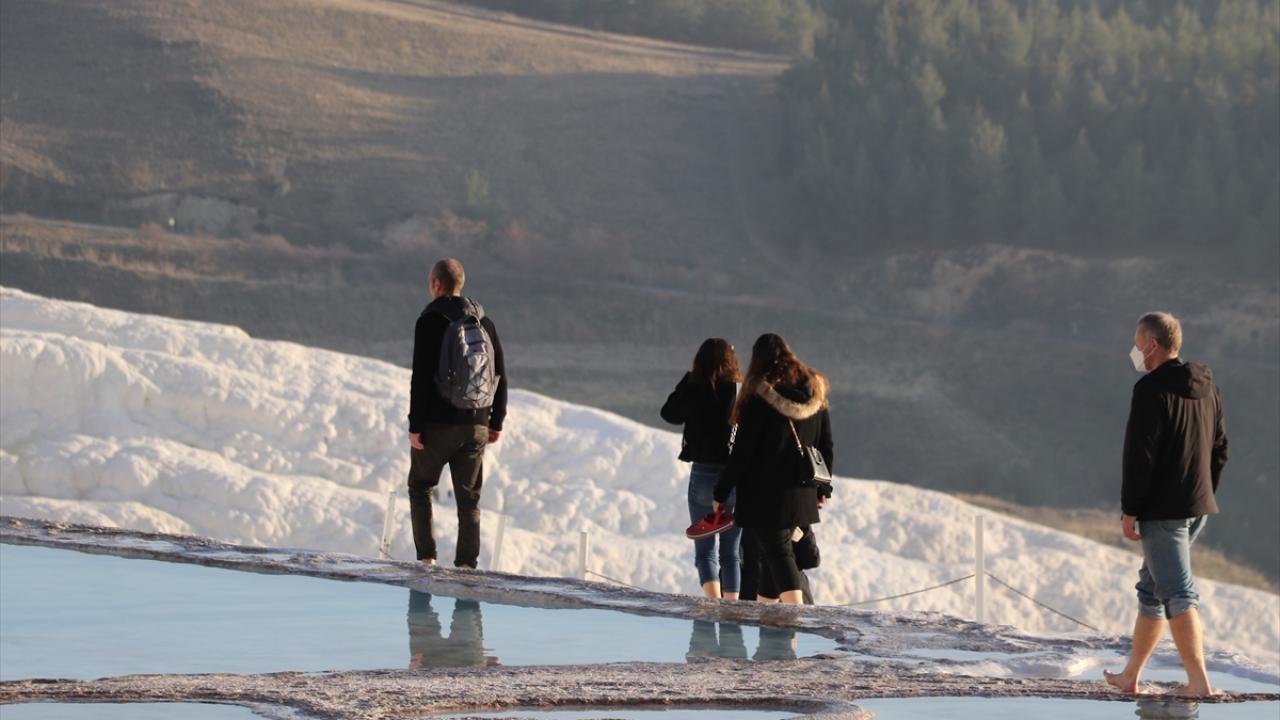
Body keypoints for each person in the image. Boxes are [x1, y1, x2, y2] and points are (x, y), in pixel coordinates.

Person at [1105, 312, 1228, 698]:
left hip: (1163, 512)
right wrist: (1203, 493)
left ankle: (1198, 684)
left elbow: (1139, 456)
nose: (1136, 350)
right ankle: (1131, 676)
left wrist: (1130, 509)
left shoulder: (1150, 390)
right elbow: (1220, 448)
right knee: (1151, 589)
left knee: (1177, 593)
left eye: (1138, 342)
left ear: (1153, 345)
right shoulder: (1208, 386)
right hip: (1196, 506)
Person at [713, 333, 833, 605]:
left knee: (778, 555)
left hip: (767, 497)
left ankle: (793, 625)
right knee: (771, 559)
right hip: (802, 493)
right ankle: (769, 630)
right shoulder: (814, 394)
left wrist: (721, 492)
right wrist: (823, 487)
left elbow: (742, 453)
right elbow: (825, 445)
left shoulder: (760, 399)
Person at [406, 259, 508, 569]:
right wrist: (495, 421)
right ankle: (466, 566)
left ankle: (427, 560)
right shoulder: (483, 321)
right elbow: (500, 372)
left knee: (420, 486)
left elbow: (421, 376)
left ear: (436, 283)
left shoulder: (430, 320)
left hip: (438, 423)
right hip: (476, 422)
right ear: (460, 284)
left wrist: (416, 425)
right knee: (469, 499)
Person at [661, 338, 743, 600]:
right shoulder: (739, 390)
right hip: (733, 475)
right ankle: (732, 609)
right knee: (731, 552)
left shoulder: (695, 387)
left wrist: (688, 381)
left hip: (703, 473)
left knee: (704, 549)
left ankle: (712, 603)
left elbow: (669, 413)